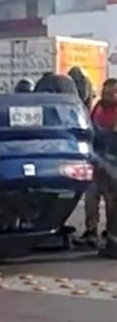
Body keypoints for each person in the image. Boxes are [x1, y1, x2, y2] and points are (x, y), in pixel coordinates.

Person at [81, 78, 117, 253]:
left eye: (111, 94)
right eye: (105, 93)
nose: (107, 96)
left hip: (113, 165)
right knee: (91, 198)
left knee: (112, 204)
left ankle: (112, 238)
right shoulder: (98, 108)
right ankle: (91, 232)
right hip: (97, 162)